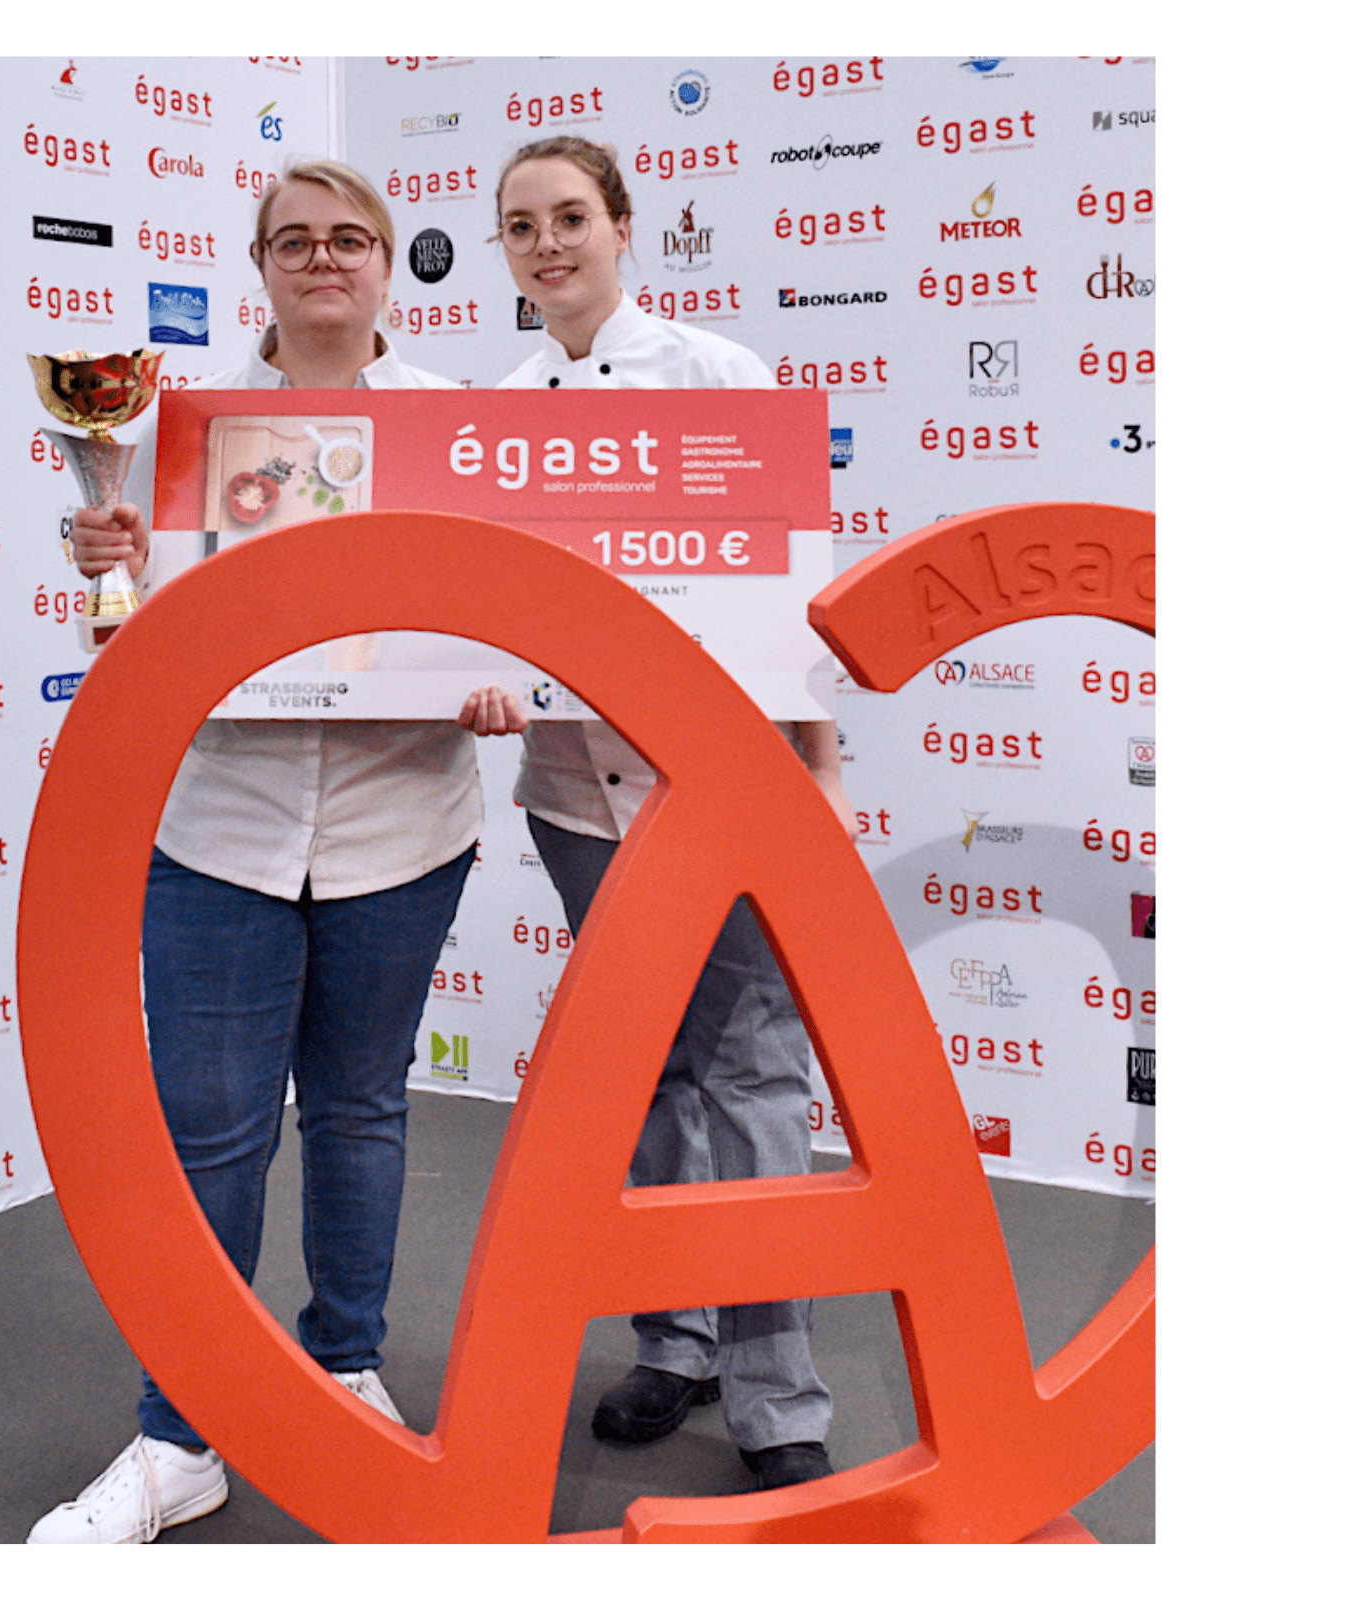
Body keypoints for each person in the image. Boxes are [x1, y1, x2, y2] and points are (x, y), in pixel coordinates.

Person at [28, 160, 475, 1544]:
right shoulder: (179, 428)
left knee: (360, 1113)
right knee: (209, 1139)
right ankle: (182, 1432)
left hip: (403, 820)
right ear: (261, 265)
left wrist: (499, 672)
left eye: (350, 239)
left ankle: (345, 1367)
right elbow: (127, 641)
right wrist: (107, 562)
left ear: (385, 264)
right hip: (219, 822)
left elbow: (492, 607)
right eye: (297, 241)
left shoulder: (456, 426)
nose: (324, 260)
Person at [457, 136, 859, 1495]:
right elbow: (498, 618)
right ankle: (675, 1341)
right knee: (644, 1071)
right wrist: (485, 682)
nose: (549, 243)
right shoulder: (500, 410)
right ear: (506, 251)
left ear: (624, 227)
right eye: (523, 226)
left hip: (726, 789)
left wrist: (820, 772)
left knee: (747, 1067)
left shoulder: (721, 376)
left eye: (572, 216)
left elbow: (791, 594)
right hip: (579, 795)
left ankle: (774, 1384)